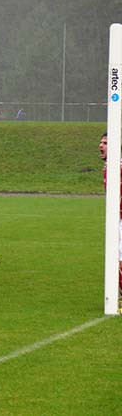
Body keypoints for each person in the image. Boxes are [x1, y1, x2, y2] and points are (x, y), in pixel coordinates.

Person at [98, 132, 122, 312]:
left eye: (105, 143)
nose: (101, 146)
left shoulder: (118, 167)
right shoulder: (108, 167)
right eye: (101, 142)